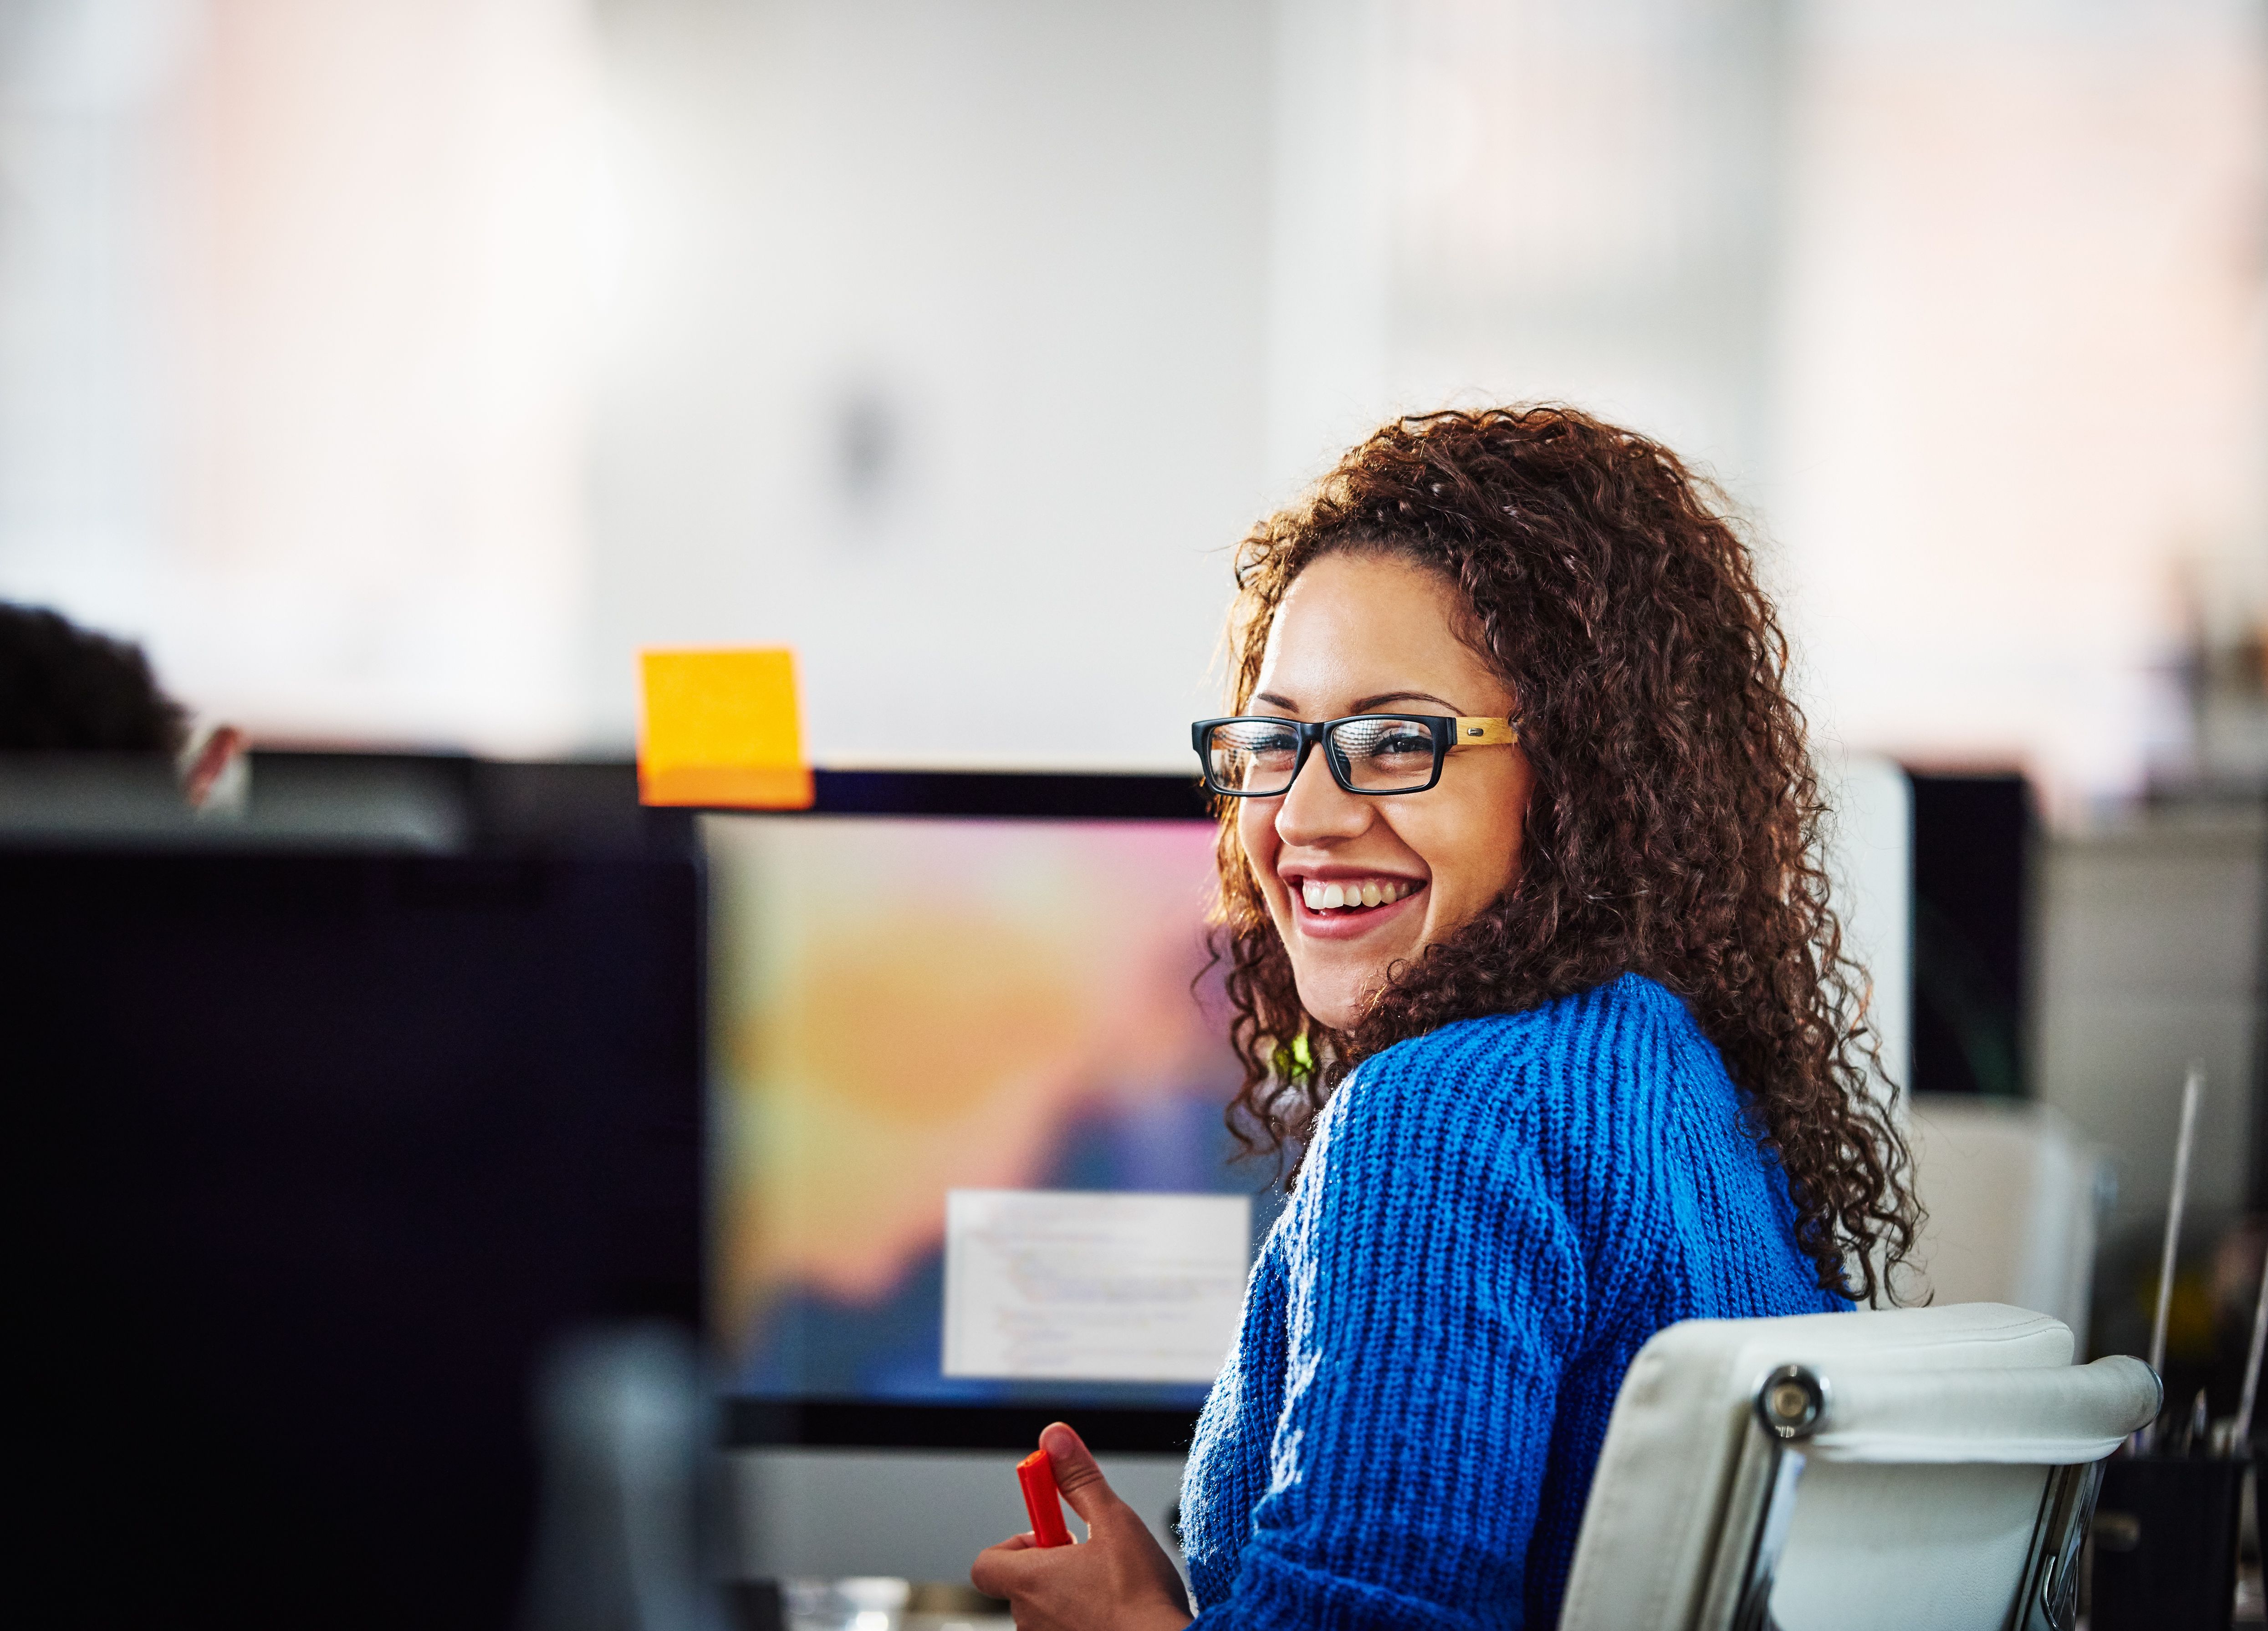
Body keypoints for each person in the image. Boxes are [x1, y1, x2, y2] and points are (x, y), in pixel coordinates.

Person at [971, 407, 1921, 1629]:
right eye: (1273, 741)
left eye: (1391, 742)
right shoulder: (1676, 1081)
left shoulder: (1441, 1114)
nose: (1301, 817)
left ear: (1587, 776)